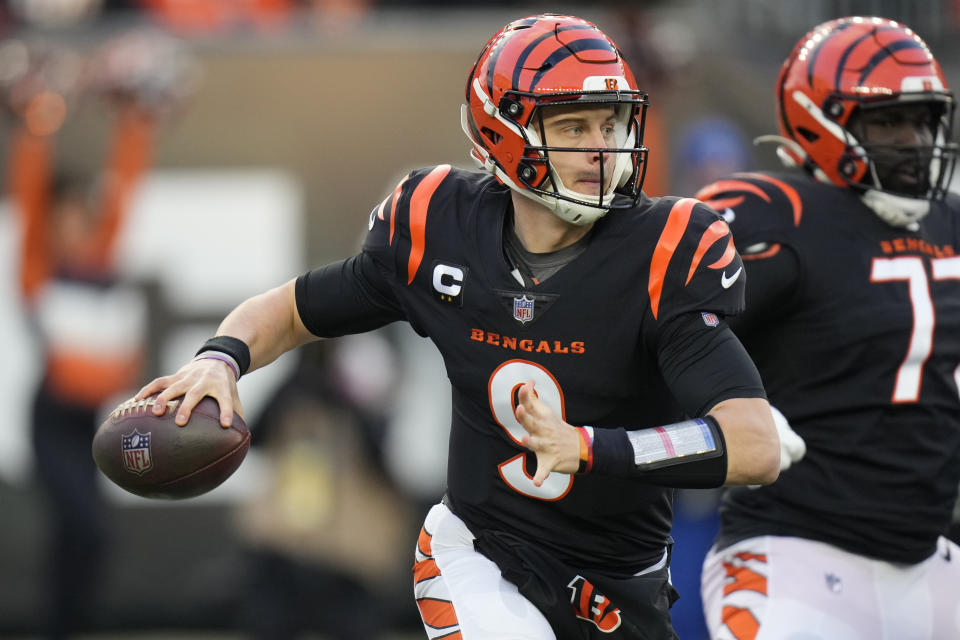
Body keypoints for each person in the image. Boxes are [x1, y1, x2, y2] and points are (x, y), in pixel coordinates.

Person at [137, 14, 780, 639]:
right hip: (482, 554)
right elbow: (290, 310)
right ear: (505, 132)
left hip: (622, 581)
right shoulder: (439, 227)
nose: (600, 146)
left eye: (609, 123)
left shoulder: (664, 250)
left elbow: (753, 444)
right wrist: (220, 358)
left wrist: (589, 447)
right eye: (573, 125)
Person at [693, 16, 960, 639]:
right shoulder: (781, 216)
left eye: (922, 120)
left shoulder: (948, 225)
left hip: (930, 562)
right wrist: (721, 402)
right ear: (822, 120)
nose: (914, 141)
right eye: (889, 121)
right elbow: (660, 321)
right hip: (797, 557)